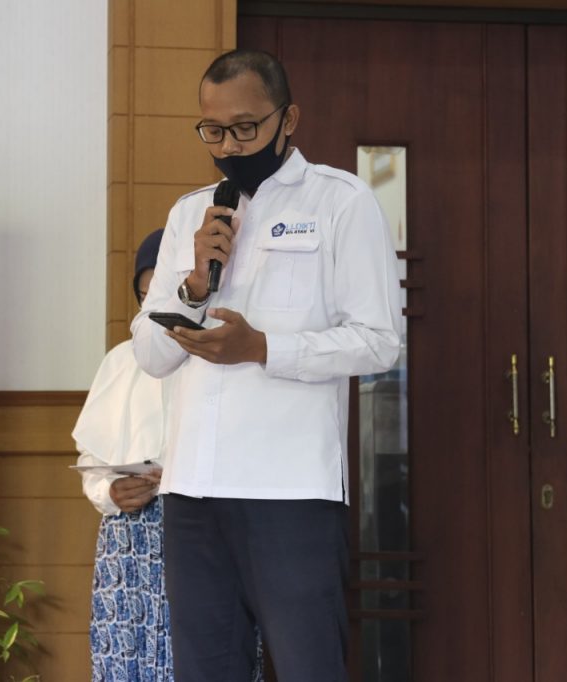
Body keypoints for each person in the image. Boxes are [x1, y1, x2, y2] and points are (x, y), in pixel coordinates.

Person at [130, 49, 402, 681]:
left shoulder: (341, 201)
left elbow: (379, 341)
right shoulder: (188, 214)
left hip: (290, 491)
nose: (229, 144)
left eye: (246, 127)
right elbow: (150, 354)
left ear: (288, 119)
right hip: (193, 491)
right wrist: (194, 288)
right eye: (213, 130)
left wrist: (264, 349)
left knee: (309, 667)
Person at [72, 229, 171, 680]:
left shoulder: (222, 357)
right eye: (144, 296)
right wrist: (110, 492)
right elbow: (91, 459)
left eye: (164, 293)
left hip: (201, 532)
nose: (152, 307)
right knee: (122, 662)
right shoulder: (120, 360)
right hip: (126, 541)